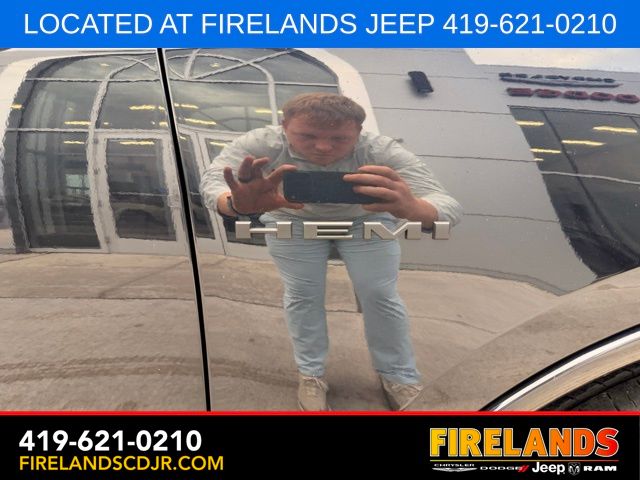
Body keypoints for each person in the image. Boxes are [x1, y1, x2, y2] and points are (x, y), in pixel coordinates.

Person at [200, 93, 462, 411]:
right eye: (307, 136)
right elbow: (214, 179)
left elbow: (445, 203)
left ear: (359, 132)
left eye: (339, 139)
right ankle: (311, 374)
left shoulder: (380, 149)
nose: (323, 147)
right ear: (284, 126)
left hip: (365, 221)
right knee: (303, 294)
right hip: (292, 220)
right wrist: (234, 203)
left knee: (379, 293)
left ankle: (399, 376)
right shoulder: (260, 142)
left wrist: (415, 207)